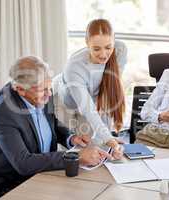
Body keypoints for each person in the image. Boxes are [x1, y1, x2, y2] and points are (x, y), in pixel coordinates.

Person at [0, 56, 113, 199]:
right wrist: (75, 156)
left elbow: (51, 121)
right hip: (10, 186)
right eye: (43, 90)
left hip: (43, 173)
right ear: (20, 89)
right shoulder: (2, 113)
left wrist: (71, 138)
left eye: (49, 87)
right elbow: (23, 163)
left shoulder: (42, 90)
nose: (49, 94)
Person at [54, 19, 127, 158]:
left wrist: (108, 139)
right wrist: (109, 140)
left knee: (97, 141)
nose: (104, 54)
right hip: (65, 102)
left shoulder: (120, 50)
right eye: (96, 49)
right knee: (76, 148)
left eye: (108, 47)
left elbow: (107, 90)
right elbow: (87, 109)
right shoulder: (74, 67)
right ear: (87, 43)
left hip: (92, 96)